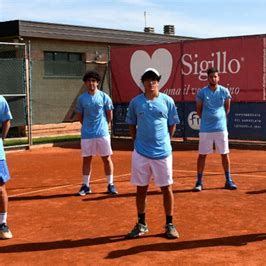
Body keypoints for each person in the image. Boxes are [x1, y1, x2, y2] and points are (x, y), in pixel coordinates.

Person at [126, 68, 180, 239]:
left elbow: (172, 124)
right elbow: (131, 125)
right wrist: (137, 143)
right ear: (143, 82)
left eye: (154, 79)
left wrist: (165, 141)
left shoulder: (168, 101)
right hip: (141, 153)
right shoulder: (135, 102)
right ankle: (141, 224)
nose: (151, 82)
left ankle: (169, 224)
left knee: (166, 188)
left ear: (159, 82)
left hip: (162, 153)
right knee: (141, 189)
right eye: (148, 79)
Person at [192, 67, 237, 192]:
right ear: (208, 78)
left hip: (221, 129)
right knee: (202, 155)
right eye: (211, 77)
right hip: (206, 129)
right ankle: (199, 182)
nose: (213, 78)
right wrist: (208, 120)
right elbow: (199, 110)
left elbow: (227, 109)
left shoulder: (224, 91)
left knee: (224, 154)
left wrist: (220, 119)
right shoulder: (202, 93)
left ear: (219, 77)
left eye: (215, 76)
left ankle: (228, 180)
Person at [75, 70, 117, 196]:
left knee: (106, 158)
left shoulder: (104, 97)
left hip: (102, 134)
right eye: (88, 81)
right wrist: (88, 127)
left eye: (93, 81)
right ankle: (86, 186)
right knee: (87, 159)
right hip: (87, 135)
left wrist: (103, 126)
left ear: (97, 83)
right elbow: (80, 116)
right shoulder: (81, 99)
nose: (91, 83)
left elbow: (109, 115)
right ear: (85, 83)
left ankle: (110, 184)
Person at [0, 96, 12, 239]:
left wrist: (1, 140)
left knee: (0, 187)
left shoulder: (1, 100)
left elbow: (6, 122)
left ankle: (2, 223)